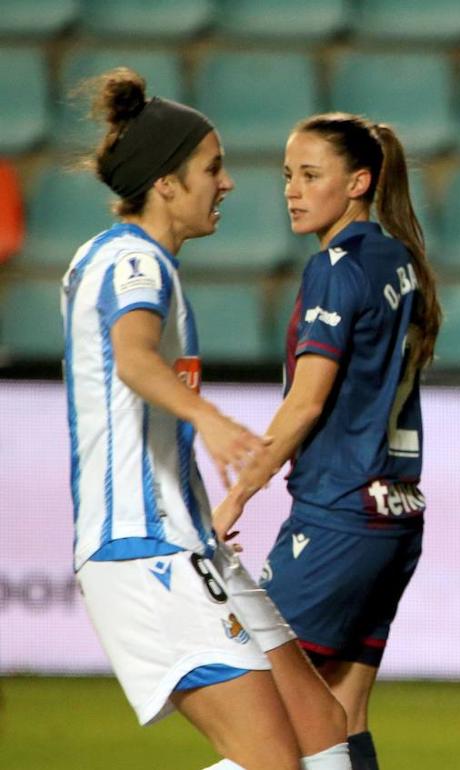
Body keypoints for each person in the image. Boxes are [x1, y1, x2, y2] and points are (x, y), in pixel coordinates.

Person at [61, 68, 349, 770]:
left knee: (322, 728)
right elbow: (133, 358)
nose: (226, 183)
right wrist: (212, 421)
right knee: (271, 760)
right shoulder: (135, 263)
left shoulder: (134, 259)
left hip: (188, 541)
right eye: (211, 169)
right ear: (166, 182)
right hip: (144, 546)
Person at [212, 111, 440, 770]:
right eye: (289, 175)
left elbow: (306, 400)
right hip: (394, 514)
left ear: (359, 181)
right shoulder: (400, 260)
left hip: (339, 514)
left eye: (312, 175)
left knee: (261, 706)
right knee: (338, 713)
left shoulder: (335, 269)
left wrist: (236, 498)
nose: (293, 189)